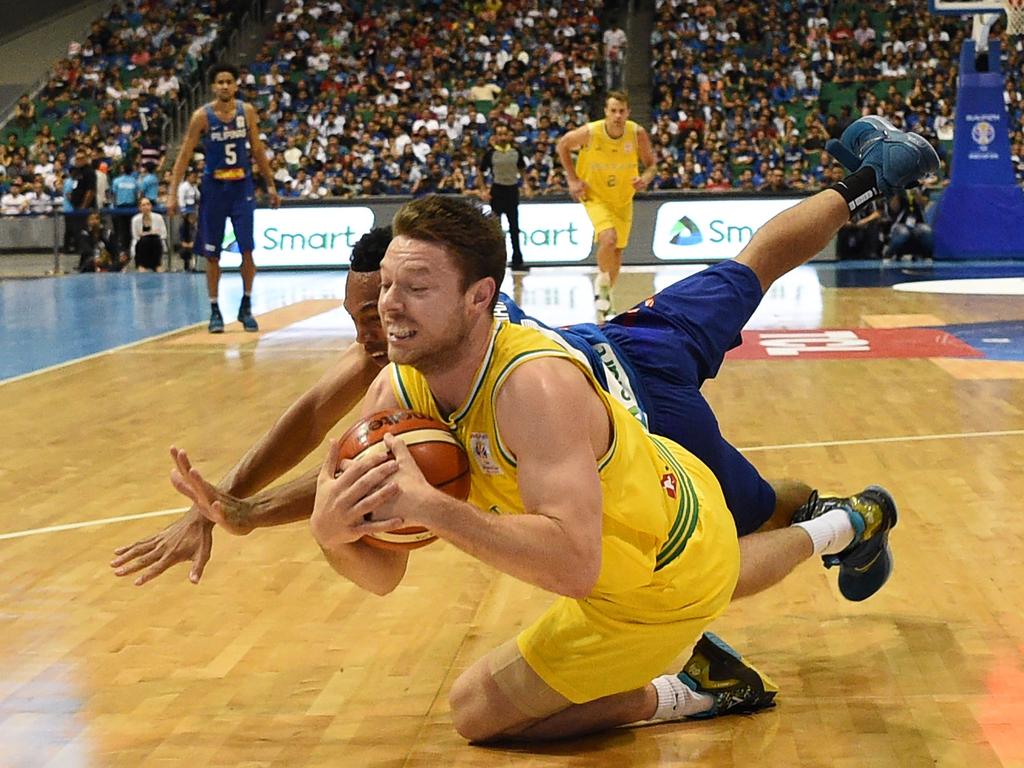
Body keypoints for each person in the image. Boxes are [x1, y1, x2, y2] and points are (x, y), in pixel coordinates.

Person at [112, 116, 938, 596]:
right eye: (363, 315)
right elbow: (315, 430)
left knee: (731, 522)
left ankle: (839, 519)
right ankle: (872, 179)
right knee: (752, 268)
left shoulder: (414, 337)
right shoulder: (435, 301)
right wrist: (223, 502)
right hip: (609, 349)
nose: (373, 329)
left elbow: (329, 444)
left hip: (634, 410)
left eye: (378, 311)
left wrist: (243, 509)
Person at [305, 184, 907, 742]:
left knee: (480, 716)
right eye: (385, 286)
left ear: (479, 297)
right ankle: (848, 523)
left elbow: (572, 568)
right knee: (728, 547)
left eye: (415, 288)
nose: (390, 306)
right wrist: (333, 534)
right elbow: (383, 575)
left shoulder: (532, 387)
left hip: (668, 564)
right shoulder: (396, 391)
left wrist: (430, 507)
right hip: (653, 477)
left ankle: (695, 690)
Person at [166, 63, 280, 333]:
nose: (225, 85)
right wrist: (172, 193)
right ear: (213, 87)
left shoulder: (246, 112)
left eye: (230, 81)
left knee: (247, 250)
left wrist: (271, 185)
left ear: (236, 85)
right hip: (214, 190)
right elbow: (183, 156)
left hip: (242, 188)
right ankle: (215, 309)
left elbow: (258, 150)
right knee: (212, 254)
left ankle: (247, 305)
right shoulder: (201, 116)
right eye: (221, 82)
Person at [556, 91, 657, 321]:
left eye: (622, 111)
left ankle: (606, 296)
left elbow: (651, 165)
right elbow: (562, 145)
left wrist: (646, 179)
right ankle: (601, 283)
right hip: (595, 195)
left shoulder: (636, 133)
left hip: (622, 198)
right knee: (608, 238)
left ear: (628, 112)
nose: (618, 116)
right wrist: (572, 179)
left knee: (617, 251)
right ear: (606, 112)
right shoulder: (591, 132)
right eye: (613, 111)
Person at [478, 123, 527, 272]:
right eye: (500, 134)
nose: (503, 137)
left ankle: (517, 259)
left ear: (509, 135)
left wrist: (525, 184)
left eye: (505, 134)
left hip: (512, 190)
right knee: (496, 228)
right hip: (497, 190)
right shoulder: (491, 153)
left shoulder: (516, 152)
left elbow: (522, 168)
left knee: (514, 227)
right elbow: (481, 171)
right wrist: (483, 189)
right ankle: (496, 261)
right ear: (495, 136)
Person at [131, 197, 168, 271]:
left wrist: (153, 233)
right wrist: (144, 235)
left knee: (155, 240)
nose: (146, 207)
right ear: (140, 207)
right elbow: (135, 236)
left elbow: (164, 234)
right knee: (145, 240)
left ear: (151, 206)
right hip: (142, 243)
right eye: (143, 205)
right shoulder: (135, 219)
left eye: (148, 204)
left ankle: (157, 265)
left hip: (156, 242)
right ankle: (142, 266)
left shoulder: (158, 217)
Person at [110, 162, 139, 257]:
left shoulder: (117, 181)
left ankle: (122, 250)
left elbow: (114, 195)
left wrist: (114, 206)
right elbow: (136, 195)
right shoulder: (134, 181)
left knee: (121, 230)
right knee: (128, 230)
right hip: (129, 207)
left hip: (122, 207)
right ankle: (125, 249)